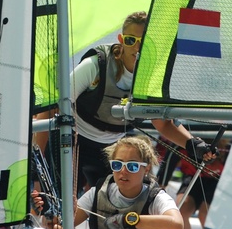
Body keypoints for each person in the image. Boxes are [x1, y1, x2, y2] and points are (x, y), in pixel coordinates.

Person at [69, 11, 214, 193]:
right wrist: (37, 158)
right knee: (61, 206)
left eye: (143, 42)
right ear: (121, 39)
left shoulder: (152, 79)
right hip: (73, 142)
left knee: (113, 208)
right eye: (130, 40)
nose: (137, 47)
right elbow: (54, 108)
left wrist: (193, 144)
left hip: (111, 150)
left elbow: (162, 124)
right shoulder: (96, 64)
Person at [33, 135, 183, 229]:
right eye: (117, 165)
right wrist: (45, 214)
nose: (123, 172)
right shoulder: (97, 192)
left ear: (146, 169)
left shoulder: (156, 197)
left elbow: (177, 225)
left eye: (132, 166)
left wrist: (128, 220)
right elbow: (61, 226)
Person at [170, 139, 231, 229]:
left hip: (218, 181)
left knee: (205, 214)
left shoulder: (228, 149)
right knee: (180, 210)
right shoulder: (184, 143)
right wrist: (161, 183)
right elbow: (169, 160)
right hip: (193, 178)